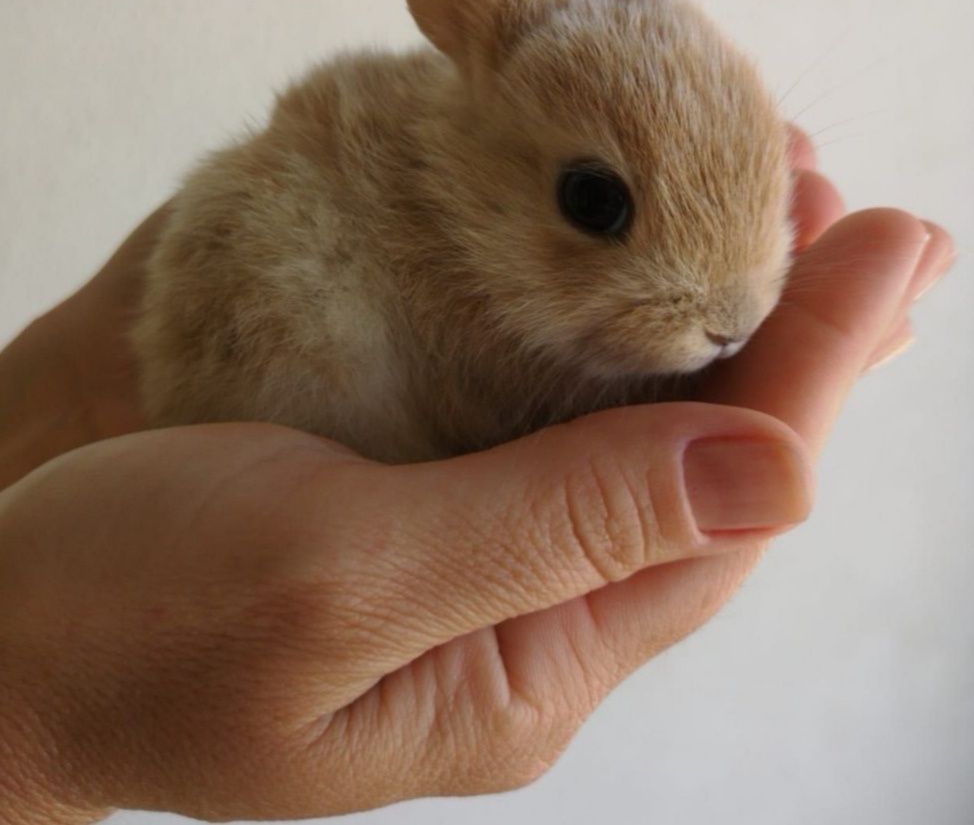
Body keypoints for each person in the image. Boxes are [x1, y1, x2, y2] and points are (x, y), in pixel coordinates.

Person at [0, 129, 954, 824]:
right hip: (280, 361)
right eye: (599, 205)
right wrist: (37, 719)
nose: (735, 314)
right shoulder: (436, 243)